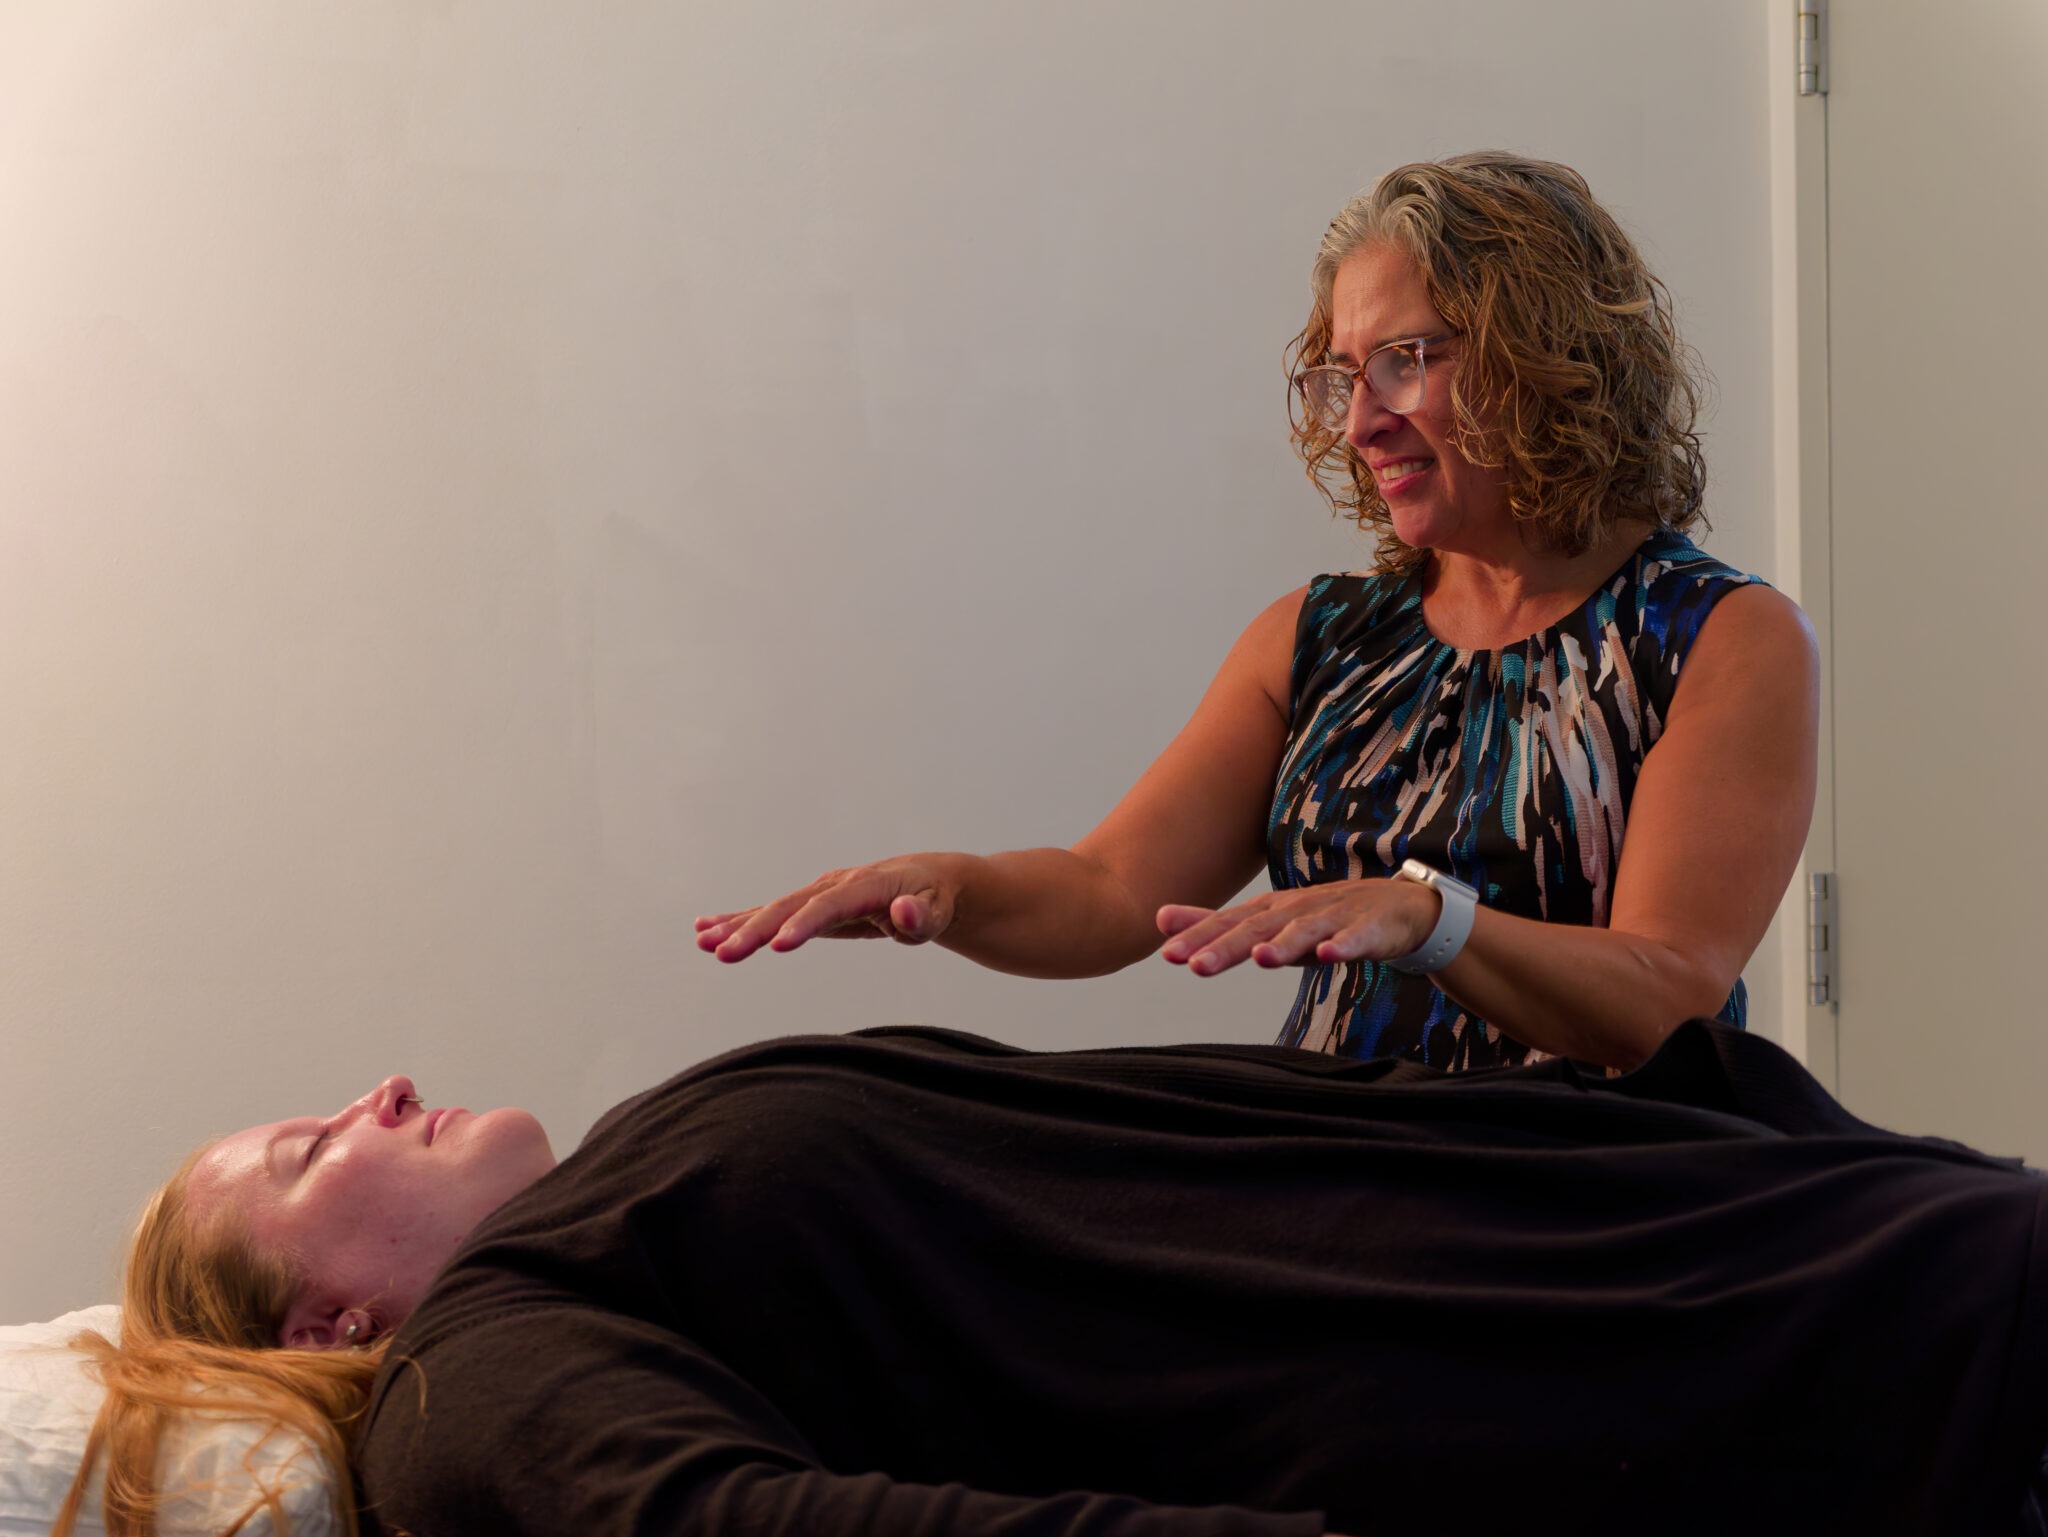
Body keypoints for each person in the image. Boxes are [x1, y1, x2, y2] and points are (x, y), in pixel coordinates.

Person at [697, 152, 1819, 1072]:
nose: (1358, 422)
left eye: (1403, 362)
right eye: (1342, 374)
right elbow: (1107, 892)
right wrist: (950, 886)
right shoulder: (1318, 636)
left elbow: (1666, 996)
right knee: (843, 1093)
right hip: (1332, 1162)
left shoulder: (1715, 637)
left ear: (1548, 359)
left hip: (1591, 1194)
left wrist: (1434, 920)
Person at [60, 1023, 2048, 1537]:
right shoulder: (466, 1390)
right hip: (1776, 1393)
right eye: (312, 1153)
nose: (374, 1092)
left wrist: (1746, 1129)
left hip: (1799, 1235)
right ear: (329, 1327)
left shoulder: (603, 1224)